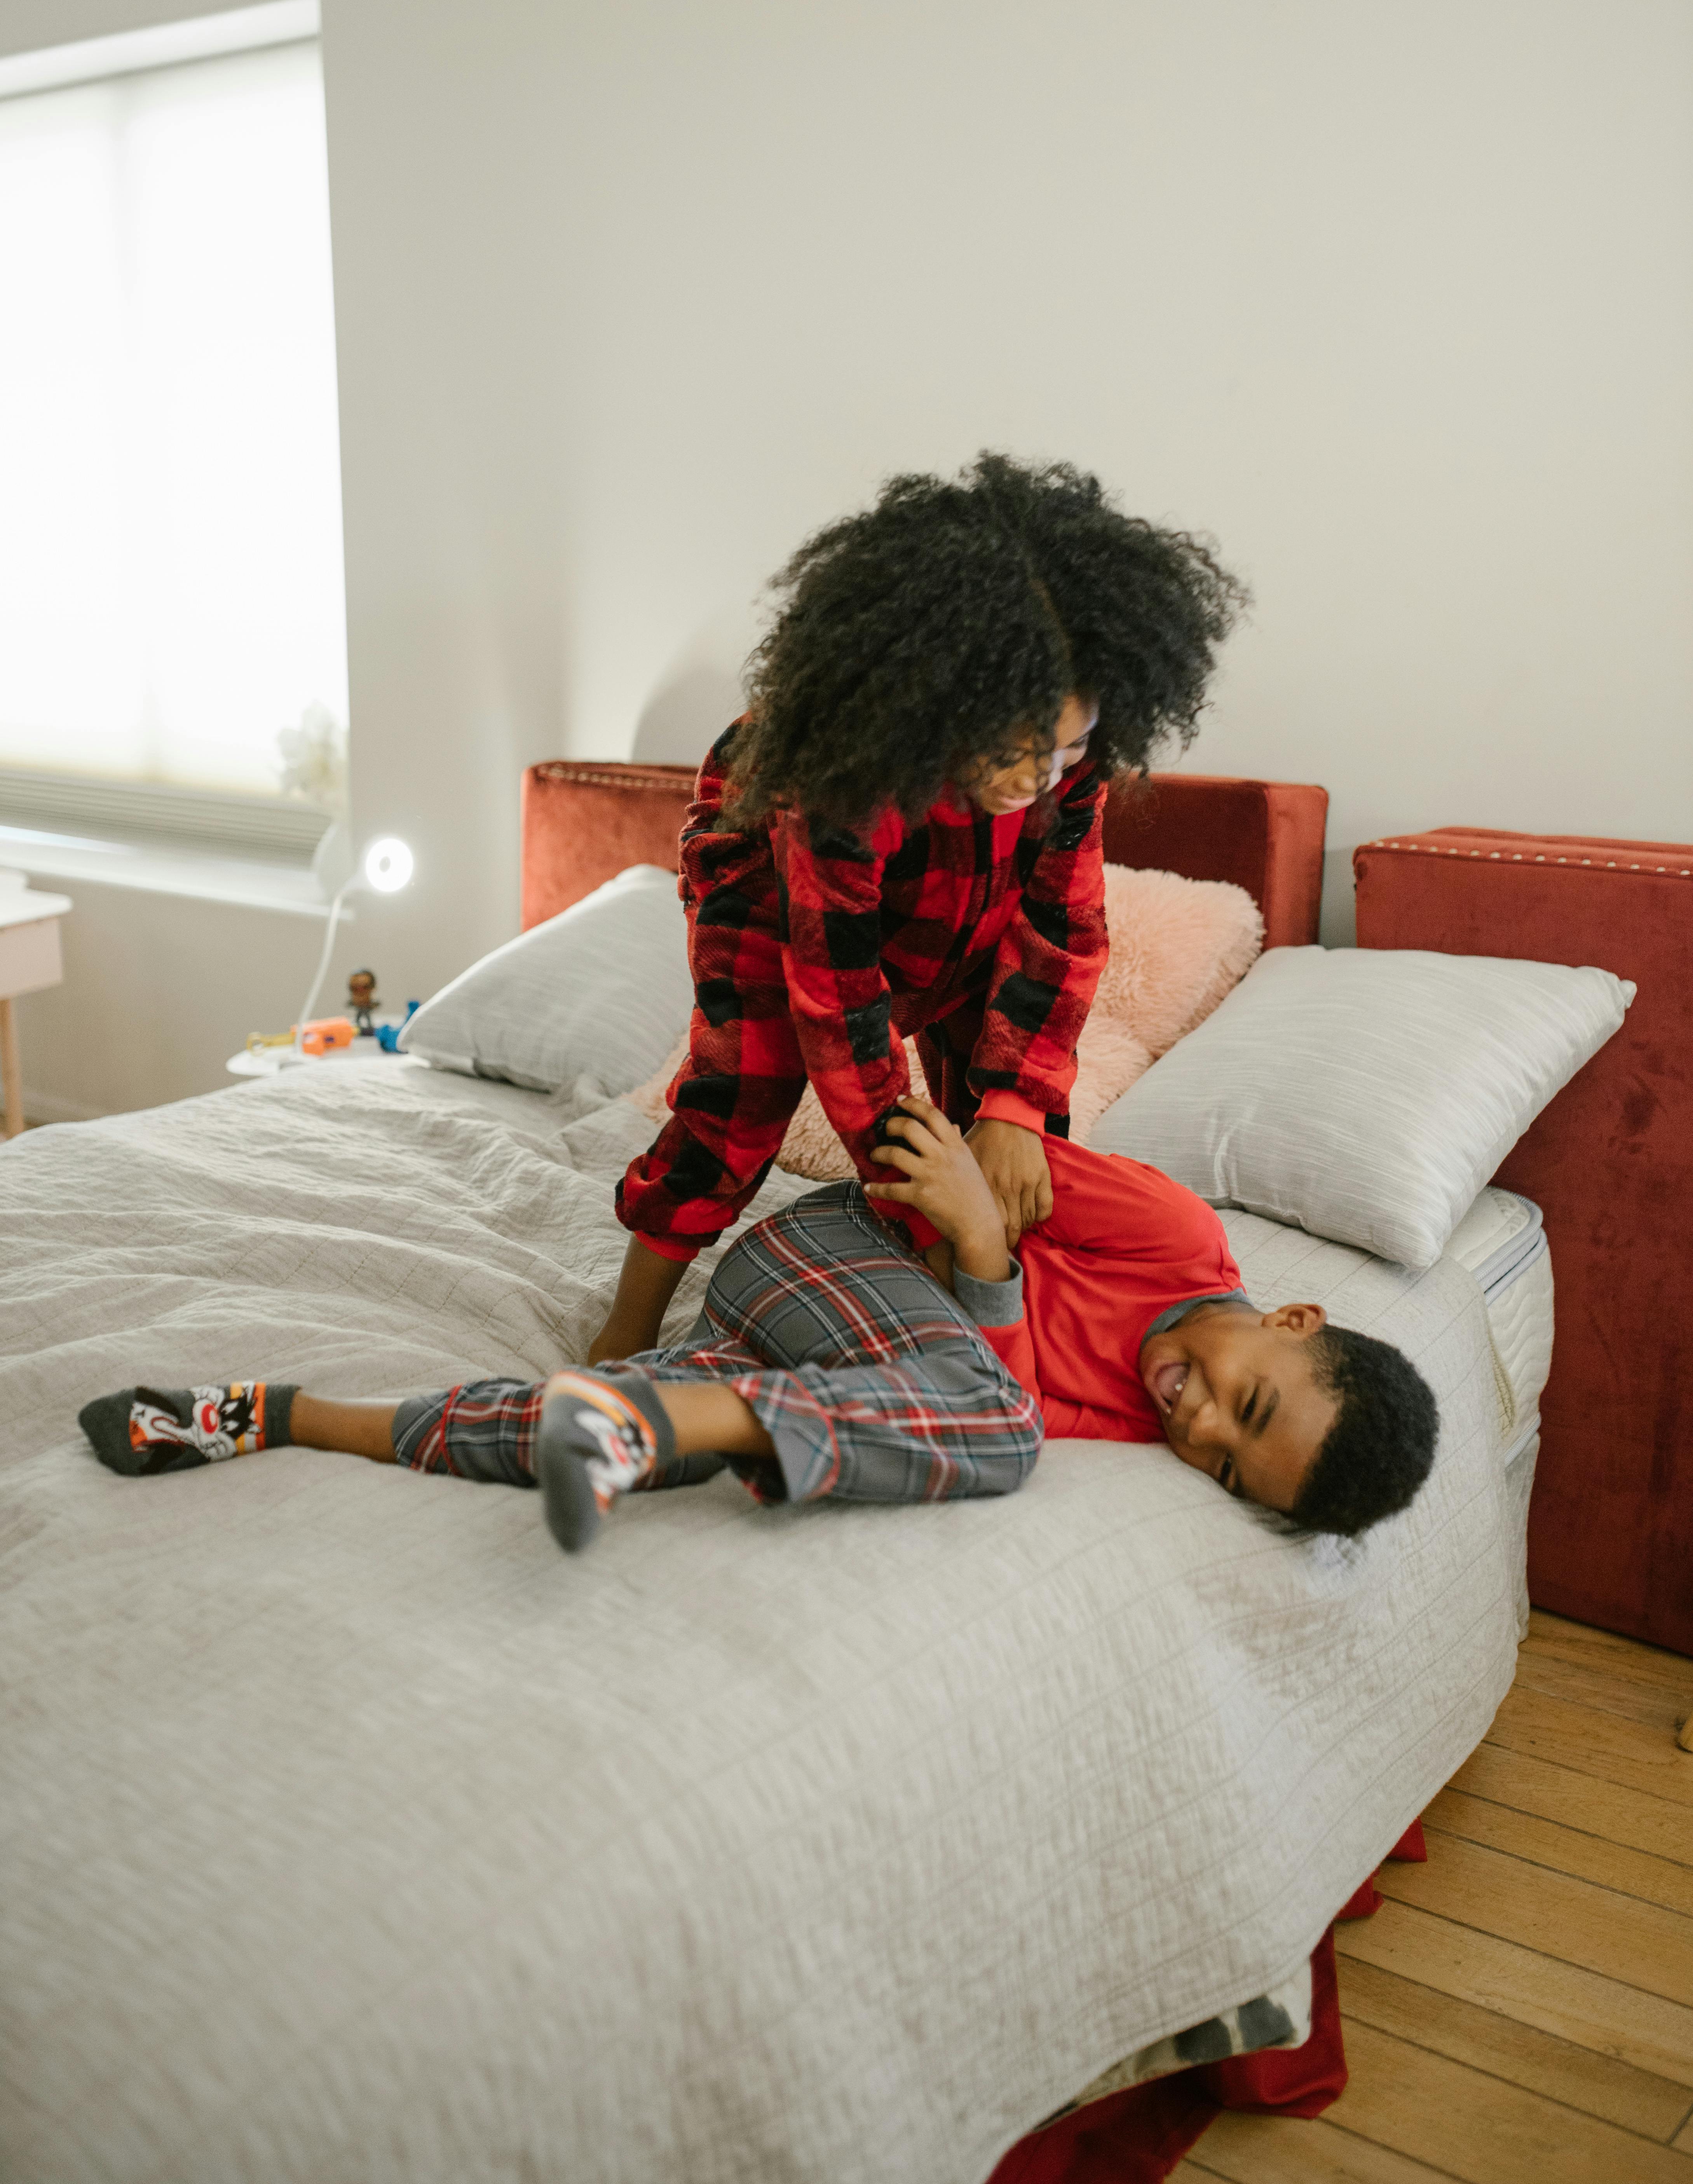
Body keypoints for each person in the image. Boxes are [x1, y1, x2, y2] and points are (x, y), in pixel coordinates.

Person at [77, 1095, 1440, 1553]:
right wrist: (977, 1236)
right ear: (1292, 1314)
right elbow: (957, 1169)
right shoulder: (1169, 1235)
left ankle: (272, 1412)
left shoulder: (1152, 1405)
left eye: (1214, 1459)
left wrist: (981, 1272)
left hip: (826, 1357)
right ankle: (664, 1417)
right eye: (1242, 1400)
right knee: (1000, 1428)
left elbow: (948, 1367)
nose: (1188, 1420)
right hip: (820, 1251)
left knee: (594, 1439)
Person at [593, 452, 1248, 1366]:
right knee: (744, 1085)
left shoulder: (1065, 775)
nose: (1037, 779)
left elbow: (1061, 932)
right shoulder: (839, 781)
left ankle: (981, 1306)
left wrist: (1013, 1111)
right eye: (1017, 748)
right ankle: (624, 1324)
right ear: (936, 705)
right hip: (782, 897)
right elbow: (838, 999)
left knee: (1010, 1116)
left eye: (1067, 749)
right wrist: (910, 1184)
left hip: (966, 904)